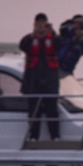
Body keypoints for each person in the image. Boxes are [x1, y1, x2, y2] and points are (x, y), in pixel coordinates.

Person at [19, 13, 63, 141]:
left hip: (50, 79)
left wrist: (53, 32)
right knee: (34, 109)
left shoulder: (53, 38)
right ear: (34, 25)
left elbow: (60, 44)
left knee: (52, 109)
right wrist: (34, 34)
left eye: (43, 24)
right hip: (34, 79)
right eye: (39, 24)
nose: (41, 27)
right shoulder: (30, 38)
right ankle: (34, 135)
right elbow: (22, 46)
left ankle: (55, 135)